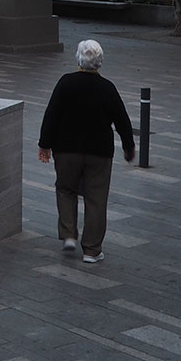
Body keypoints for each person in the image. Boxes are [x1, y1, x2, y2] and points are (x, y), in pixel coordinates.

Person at [38, 39, 135, 264]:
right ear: (100, 61)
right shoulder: (107, 88)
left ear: (78, 58)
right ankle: (92, 249)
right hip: (99, 151)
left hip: (66, 149)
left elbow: (51, 114)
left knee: (65, 189)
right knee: (96, 198)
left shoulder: (65, 83)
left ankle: (69, 235)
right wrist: (128, 146)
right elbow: (122, 120)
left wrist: (45, 144)